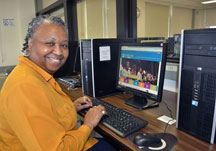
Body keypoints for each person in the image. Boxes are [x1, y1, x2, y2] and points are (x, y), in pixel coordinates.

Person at [0, 15, 117, 151]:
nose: (58, 52)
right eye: (50, 43)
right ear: (31, 44)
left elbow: (44, 112)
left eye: (64, 45)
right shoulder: (25, 85)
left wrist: (70, 109)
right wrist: (88, 124)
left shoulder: (36, 73)